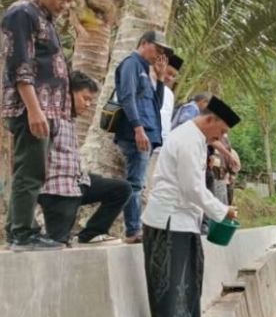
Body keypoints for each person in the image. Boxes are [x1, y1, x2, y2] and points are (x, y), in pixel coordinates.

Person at [142, 95, 240, 317]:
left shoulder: (198, 139)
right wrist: (222, 210)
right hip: (169, 220)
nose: (220, 138)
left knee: (189, 280)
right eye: (220, 131)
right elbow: (191, 188)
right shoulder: (187, 140)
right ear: (210, 120)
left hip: (185, 221)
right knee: (171, 284)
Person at [2, 0, 74, 252]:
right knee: (30, 171)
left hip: (46, 111)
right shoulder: (23, 12)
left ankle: (18, 227)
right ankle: (23, 233)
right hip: (30, 108)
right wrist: (34, 109)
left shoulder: (44, 18)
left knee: (34, 170)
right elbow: (20, 65)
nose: (68, 4)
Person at [38, 71, 132, 246]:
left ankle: (91, 233)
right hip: (58, 189)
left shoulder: (70, 120)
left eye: (91, 100)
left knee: (121, 189)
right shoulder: (50, 118)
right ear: (68, 93)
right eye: (85, 98)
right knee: (58, 243)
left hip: (78, 183)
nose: (88, 104)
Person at [114, 30, 171, 244]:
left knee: (138, 183)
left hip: (147, 134)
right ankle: (132, 230)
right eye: (157, 49)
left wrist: (161, 79)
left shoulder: (146, 70)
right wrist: (138, 129)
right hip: (136, 135)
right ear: (144, 43)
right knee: (135, 183)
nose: (159, 54)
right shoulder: (131, 64)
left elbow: (156, 104)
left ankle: (135, 228)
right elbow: (127, 97)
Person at [157, 54, 183, 145]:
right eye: (169, 73)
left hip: (160, 144)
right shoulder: (148, 84)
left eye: (173, 76)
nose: (170, 78)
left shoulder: (170, 95)